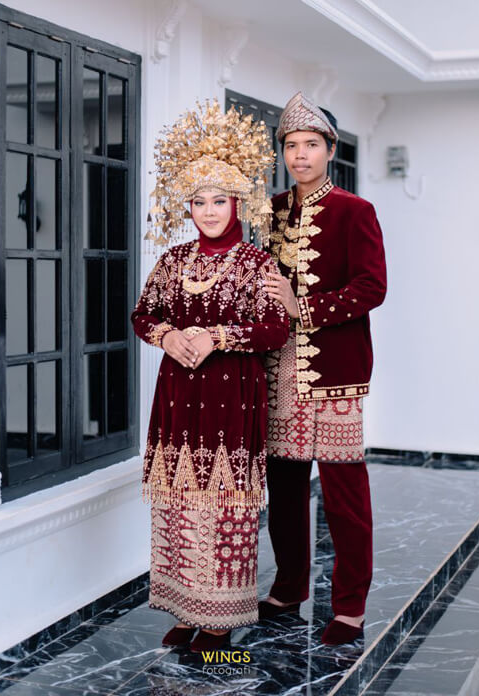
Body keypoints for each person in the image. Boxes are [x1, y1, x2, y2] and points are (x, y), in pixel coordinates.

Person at [131, 100, 289, 653]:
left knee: (222, 506)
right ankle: (183, 607)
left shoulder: (257, 264)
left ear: (237, 202)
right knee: (177, 501)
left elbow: (275, 329)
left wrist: (217, 337)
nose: (209, 211)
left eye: (219, 200)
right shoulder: (173, 261)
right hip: (177, 397)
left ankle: (219, 619)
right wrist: (167, 337)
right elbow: (143, 314)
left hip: (230, 401)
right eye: (198, 202)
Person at [261, 92, 387, 646]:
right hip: (275, 372)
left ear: (330, 149)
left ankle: (350, 607)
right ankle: (289, 588)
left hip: (334, 374)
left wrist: (303, 308)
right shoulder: (269, 211)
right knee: (285, 489)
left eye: (311, 144)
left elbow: (372, 287)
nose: (300, 155)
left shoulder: (355, 211)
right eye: (291, 145)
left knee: (344, 497)